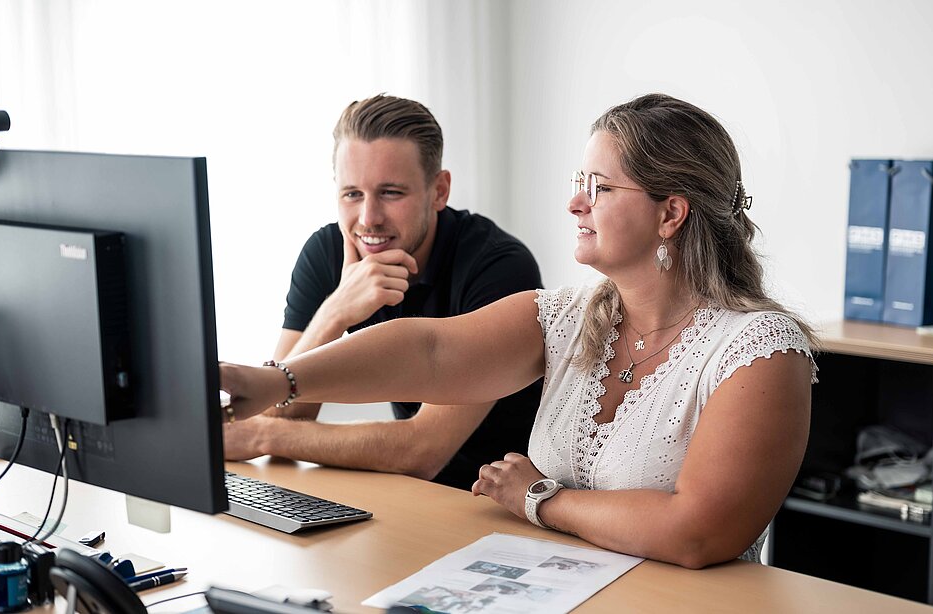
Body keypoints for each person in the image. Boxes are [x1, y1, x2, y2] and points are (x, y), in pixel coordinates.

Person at [220, 93, 818, 569]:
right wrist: (281, 380)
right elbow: (430, 350)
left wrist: (539, 498)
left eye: (599, 188)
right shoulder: (567, 317)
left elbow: (697, 533)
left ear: (670, 213)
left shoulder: (760, 352)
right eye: (578, 182)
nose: (574, 205)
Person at [222, 94, 543, 490]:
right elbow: (276, 411)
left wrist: (261, 438)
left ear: (439, 190)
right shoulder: (327, 252)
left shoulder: (498, 268)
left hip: (503, 504)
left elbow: (424, 451)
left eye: (391, 193)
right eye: (352, 194)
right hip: (407, 496)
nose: (368, 218)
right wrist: (334, 312)